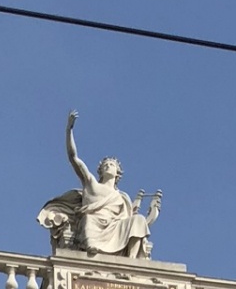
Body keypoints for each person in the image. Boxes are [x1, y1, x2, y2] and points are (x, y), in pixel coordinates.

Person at [37, 111, 161, 259]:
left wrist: (152, 211)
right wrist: (69, 130)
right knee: (89, 219)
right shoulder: (91, 184)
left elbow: (128, 217)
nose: (108, 166)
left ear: (117, 173)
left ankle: (133, 260)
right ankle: (93, 246)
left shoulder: (121, 197)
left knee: (138, 220)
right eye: (105, 165)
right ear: (100, 171)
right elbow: (73, 158)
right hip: (94, 223)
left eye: (111, 165)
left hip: (116, 226)